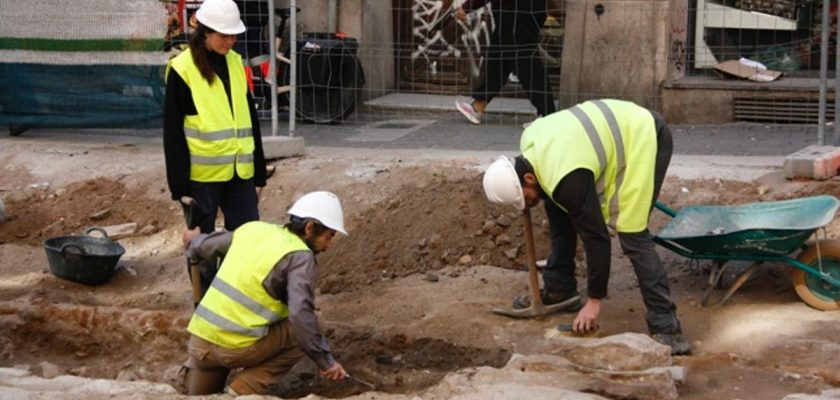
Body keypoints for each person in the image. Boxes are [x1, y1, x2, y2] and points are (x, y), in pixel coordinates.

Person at [482, 99, 691, 355]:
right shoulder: (531, 144)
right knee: (556, 206)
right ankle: (560, 288)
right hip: (609, 137)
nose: (528, 204)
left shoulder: (566, 177)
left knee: (632, 232)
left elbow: (597, 238)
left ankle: (666, 326)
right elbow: (557, 200)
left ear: (527, 177)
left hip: (645, 136)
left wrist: (594, 301)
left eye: (525, 198)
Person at [182, 191, 349, 395]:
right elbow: (301, 315)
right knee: (314, 323)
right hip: (235, 350)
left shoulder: (255, 230)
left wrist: (193, 240)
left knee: (200, 394)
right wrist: (326, 363)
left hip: (200, 346)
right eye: (328, 236)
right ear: (309, 227)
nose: (329, 245)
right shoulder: (300, 258)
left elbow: (203, 246)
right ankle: (242, 389)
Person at [164, 0, 267, 234]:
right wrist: (180, 188)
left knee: (247, 239)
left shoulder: (235, 62)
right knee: (203, 248)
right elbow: (173, 132)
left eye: (234, 35)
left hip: (240, 172)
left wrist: (259, 171)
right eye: (224, 35)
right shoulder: (183, 68)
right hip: (202, 178)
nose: (231, 41)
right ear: (205, 32)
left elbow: (249, 118)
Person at [453, 0, 556, 125]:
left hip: (517, 13)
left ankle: (548, 116)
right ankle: (478, 105)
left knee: (526, 62)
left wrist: (467, 7)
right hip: (518, 11)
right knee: (499, 56)